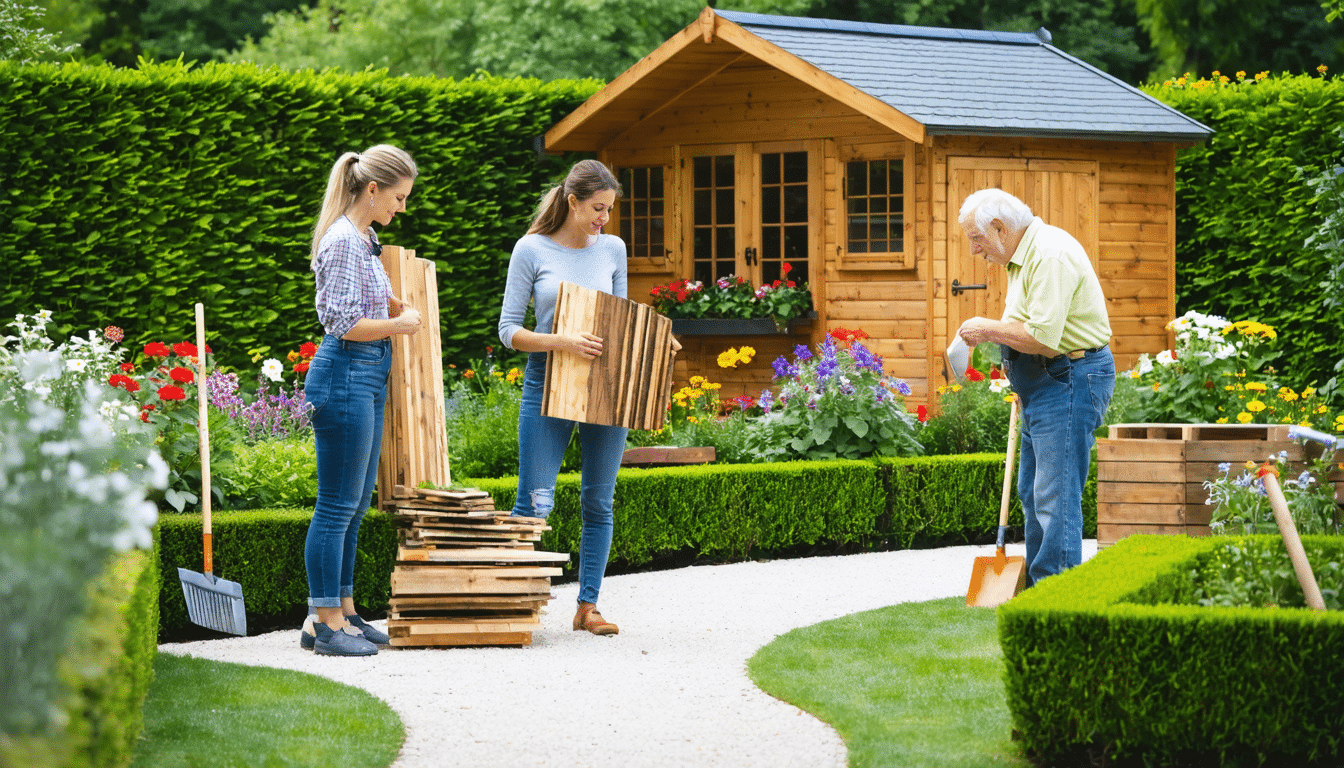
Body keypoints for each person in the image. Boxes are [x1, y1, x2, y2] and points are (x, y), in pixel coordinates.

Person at [498, 159, 678, 636]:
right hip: (547, 378)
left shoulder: (612, 249)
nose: (604, 218)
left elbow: (619, 318)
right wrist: (561, 341)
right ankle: (512, 605)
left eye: (610, 209)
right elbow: (507, 331)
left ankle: (588, 606)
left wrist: (657, 341)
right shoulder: (530, 249)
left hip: (607, 385)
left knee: (599, 502)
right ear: (572, 201)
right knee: (534, 502)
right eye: (597, 207)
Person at [955, 188, 1114, 588]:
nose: (975, 250)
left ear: (998, 227)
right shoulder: (1020, 257)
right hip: (1044, 383)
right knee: (1032, 490)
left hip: (1069, 378)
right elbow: (1026, 325)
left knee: (1053, 495)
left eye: (976, 238)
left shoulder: (1049, 255)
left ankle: (1054, 590)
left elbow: (1043, 337)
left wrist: (985, 328)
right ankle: (1041, 585)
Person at [300, 144, 422, 656]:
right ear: (372, 190)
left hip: (366, 375)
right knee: (335, 506)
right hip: (346, 374)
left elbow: (357, 302)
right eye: (397, 197)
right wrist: (398, 324)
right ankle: (322, 621)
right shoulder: (346, 241)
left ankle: (344, 613)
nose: (400, 207)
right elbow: (343, 324)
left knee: (352, 509)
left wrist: (389, 303)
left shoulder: (365, 238)